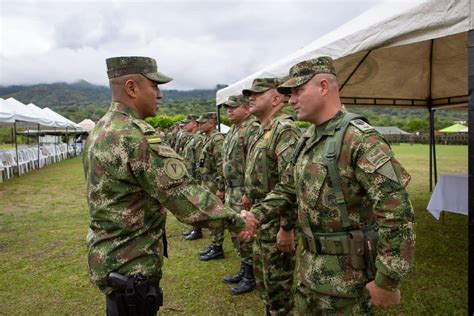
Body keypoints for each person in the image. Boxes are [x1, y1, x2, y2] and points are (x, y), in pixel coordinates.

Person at [83, 56, 256, 315]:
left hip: (109, 255)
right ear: (131, 88)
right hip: (132, 264)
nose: (160, 94)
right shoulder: (134, 136)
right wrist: (237, 220)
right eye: (154, 86)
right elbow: (183, 195)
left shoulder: (101, 130)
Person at [243, 56, 416, 314]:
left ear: (323, 87)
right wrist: (254, 216)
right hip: (310, 273)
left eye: (298, 91)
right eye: (289, 94)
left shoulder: (359, 139)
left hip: (348, 283)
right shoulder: (308, 138)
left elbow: (397, 213)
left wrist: (387, 280)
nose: (291, 101)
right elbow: (287, 190)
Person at [241, 77, 301, 315]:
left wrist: (287, 227)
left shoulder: (285, 130)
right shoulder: (262, 130)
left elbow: (291, 185)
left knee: (279, 287)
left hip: (276, 220)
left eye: (257, 93)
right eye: (250, 94)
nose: (251, 98)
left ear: (276, 98)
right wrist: (249, 194)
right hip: (262, 218)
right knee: (265, 283)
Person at [221, 95, 258, 295]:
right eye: (227, 108)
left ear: (246, 108)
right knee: (236, 232)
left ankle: (250, 275)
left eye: (233, 107)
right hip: (231, 189)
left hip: (242, 191)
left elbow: (253, 164)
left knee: (246, 233)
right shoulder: (235, 129)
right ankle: (244, 268)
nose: (229, 111)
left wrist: (248, 191)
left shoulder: (252, 129)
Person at [195, 112, 227, 261]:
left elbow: (221, 163)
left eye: (203, 122)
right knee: (209, 213)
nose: (200, 125)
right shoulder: (209, 138)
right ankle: (214, 243)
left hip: (214, 182)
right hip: (207, 182)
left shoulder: (217, 139)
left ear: (212, 123)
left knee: (215, 215)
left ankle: (217, 247)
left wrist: (221, 187)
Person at [181, 114, 207, 240]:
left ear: (194, 124)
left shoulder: (199, 139)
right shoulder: (193, 138)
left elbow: (199, 161)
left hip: (196, 176)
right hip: (190, 175)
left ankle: (197, 229)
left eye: (187, 123)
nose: (184, 125)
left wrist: (198, 179)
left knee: (197, 203)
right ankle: (195, 227)